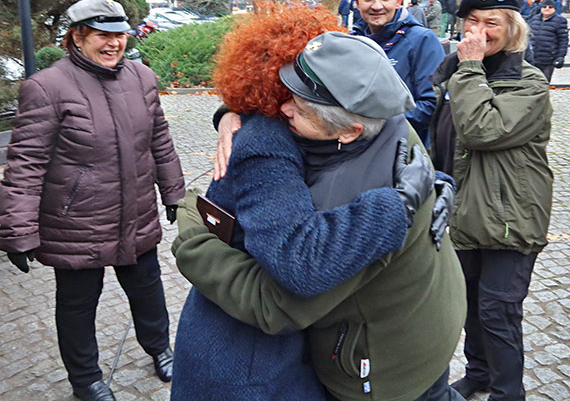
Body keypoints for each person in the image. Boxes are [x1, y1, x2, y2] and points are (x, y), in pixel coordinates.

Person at [172, 28, 466, 401]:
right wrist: (232, 111)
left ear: (348, 130)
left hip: (388, 371)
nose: (284, 108)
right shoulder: (383, 117)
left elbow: (277, 305)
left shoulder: (351, 202)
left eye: (301, 109)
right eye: (287, 94)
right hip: (429, 322)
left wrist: (191, 238)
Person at [0, 0, 185, 401]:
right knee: (78, 306)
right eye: (103, 35)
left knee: (148, 288)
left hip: (135, 212)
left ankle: (160, 349)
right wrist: (18, 230)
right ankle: (85, 380)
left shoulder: (141, 78)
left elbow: (159, 140)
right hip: (76, 222)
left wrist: (172, 190)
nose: (114, 43)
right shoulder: (46, 88)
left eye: (119, 34)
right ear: (77, 37)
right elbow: (25, 164)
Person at [429, 0, 553, 401]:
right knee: (468, 306)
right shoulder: (457, 73)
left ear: (513, 28)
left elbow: (483, 130)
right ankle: (479, 374)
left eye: (491, 22)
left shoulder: (529, 82)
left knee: (498, 312)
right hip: (466, 212)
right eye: (472, 21)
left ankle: (507, 392)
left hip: (508, 218)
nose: (478, 31)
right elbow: (441, 137)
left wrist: (468, 68)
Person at [352, 0, 445, 146]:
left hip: (404, 150)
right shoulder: (351, 41)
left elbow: (430, 106)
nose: (377, 6)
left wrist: (373, 122)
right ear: (357, 2)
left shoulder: (422, 40)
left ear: (398, 0)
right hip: (359, 146)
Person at [528, 0, 568, 82]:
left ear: (554, 9)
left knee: (544, 83)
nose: (547, 9)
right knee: (531, 83)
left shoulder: (560, 21)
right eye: (544, 6)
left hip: (548, 59)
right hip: (533, 58)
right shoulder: (534, 19)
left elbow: (563, 40)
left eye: (550, 7)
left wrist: (560, 56)